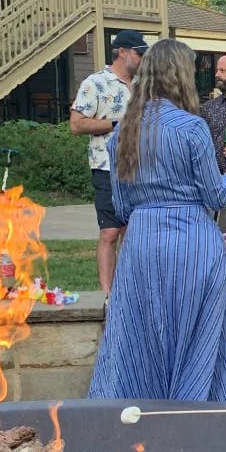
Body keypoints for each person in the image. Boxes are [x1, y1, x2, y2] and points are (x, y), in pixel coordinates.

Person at [89, 39, 226, 402]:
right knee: (196, 340)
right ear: (180, 77)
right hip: (193, 244)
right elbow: (216, 196)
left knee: (139, 340)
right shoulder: (192, 128)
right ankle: (192, 419)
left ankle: (136, 420)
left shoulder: (123, 131)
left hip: (141, 245)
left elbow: (121, 206)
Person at [70, 29, 146, 295]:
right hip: (106, 167)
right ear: (122, 52)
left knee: (132, 232)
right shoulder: (95, 83)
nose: (142, 59)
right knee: (110, 232)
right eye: (139, 53)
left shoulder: (142, 86)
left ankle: (128, 291)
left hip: (139, 169)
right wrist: (115, 123)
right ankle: (107, 294)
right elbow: (76, 124)